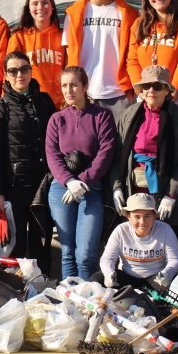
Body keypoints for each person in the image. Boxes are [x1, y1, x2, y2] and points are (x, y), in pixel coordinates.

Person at [111, 65, 178, 255]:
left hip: (167, 187)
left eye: (158, 86)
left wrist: (171, 195)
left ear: (167, 90)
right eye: (147, 86)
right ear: (141, 90)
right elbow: (117, 155)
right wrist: (117, 186)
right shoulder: (128, 115)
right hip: (135, 188)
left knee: (169, 251)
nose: (151, 90)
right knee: (136, 247)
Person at [0, 52, 56, 274]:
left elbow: (55, 140)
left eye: (24, 69)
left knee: (40, 244)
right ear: (5, 75)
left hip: (42, 185)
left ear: (31, 70)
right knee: (15, 246)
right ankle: (14, 294)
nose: (19, 75)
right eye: (13, 71)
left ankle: (42, 291)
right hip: (14, 187)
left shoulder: (44, 101)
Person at [45, 66, 118, 279]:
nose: (69, 90)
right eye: (64, 86)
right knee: (67, 252)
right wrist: (68, 181)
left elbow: (106, 151)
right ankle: (70, 300)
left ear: (85, 87)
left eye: (74, 85)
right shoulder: (57, 119)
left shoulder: (102, 116)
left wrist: (84, 181)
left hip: (91, 188)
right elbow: (52, 154)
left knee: (86, 254)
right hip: (62, 189)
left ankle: (88, 301)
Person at [61, 0, 137, 119]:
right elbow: (68, 55)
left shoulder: (128, 14)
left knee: (120, 145)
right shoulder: (74, 14)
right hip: (84, 94)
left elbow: (134, 56)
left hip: (119, 95)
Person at [99, 194, 178, 289]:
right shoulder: (121, 230)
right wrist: (108, 273)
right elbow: (107, 258)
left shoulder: (165, 230)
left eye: (147, 216)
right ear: (128, 217)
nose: (142, 222)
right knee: (97, 279)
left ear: (154, 216)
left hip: (156, 279)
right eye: (137, 217)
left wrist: (167, 274)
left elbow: (175, 260)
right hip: (127, 277)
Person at [7, 0, 64, 108]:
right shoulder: (18, 37)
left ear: (52, 6)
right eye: (35, 3)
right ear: (28, 8)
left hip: (59, 106)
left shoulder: (64, 36)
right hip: (28, 105)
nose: (40, 7)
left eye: (45, 3)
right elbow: (9, 73)